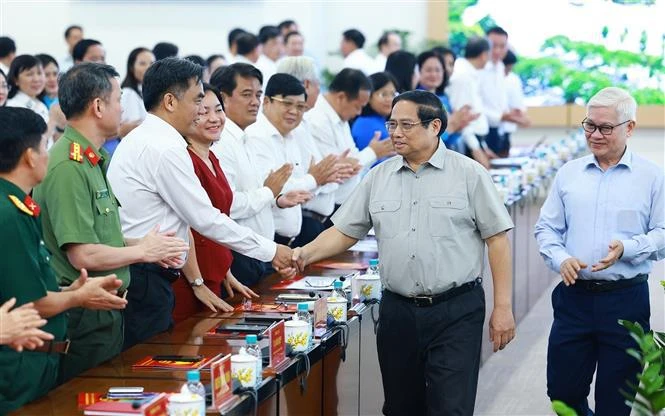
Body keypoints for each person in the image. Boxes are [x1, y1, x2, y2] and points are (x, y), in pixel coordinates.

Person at [292, 90, 515, 415]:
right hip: (398, 312)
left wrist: (504, 307)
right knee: (401, 408)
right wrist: (302, 254)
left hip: (456, 310)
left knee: (450, 407)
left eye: (406, 125)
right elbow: (344, 231)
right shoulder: (379, 176)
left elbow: (497, 240)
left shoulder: (469, 174)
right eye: (392, 124)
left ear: (435, 125)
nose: (396, 133)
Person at [107, 58, 293, 349]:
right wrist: (271, 251)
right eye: (197, 101)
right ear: (170, 101)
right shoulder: (165, 148)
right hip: (147, 276)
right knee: (156, 367)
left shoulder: (154, 138)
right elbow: (205, 219)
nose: (200, 111)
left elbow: (185, 220)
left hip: (153, 272)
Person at [32, 62, 188, 382]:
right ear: (98, 106)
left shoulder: (92, 158)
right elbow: (83, 254)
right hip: (83, 317)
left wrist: (148, 246)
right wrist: (142, 251)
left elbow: (101, 236)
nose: (123, 109)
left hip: (106, 312)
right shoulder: (68, 165)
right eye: (118, 99)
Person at [535, 87, 665, 416]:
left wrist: (629, 248)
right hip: (573, 297)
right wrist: (561, 258)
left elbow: (663, 233)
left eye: (605, 127)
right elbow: (546, 229)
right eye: (589, 125)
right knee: (562, 393)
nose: (594, 134)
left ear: (629, 128)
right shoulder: (569, 174)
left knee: (616, 401)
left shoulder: (652, 177)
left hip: (625, 301)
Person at [0, 107, 127, 413]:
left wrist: (71, 292)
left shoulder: (18, 204)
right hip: (19, 368)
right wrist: (80, 297)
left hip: (35, 359)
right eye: (45, 145)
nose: (49, 153)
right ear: (29, 156)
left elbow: (28, 287)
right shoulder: (8, 214)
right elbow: (33, 303)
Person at [172, 84, 259, 322]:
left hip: (214, 274)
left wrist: (224, 270)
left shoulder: (211, 156)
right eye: (203, 112)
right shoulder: (184, 160)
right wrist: (198, 282)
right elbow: (189, 226)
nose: (214, 119)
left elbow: (220, 217)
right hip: (191, 279)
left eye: (218, 110)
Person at [210, 63, 300, 286]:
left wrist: (275, 200)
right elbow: (227, 205)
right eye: (247, 94)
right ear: (223, 98)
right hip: (238, 255)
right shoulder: (220, 142)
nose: (255, 102)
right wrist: (269, 192)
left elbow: (254, 193)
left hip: (258, 252)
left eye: (258, 94)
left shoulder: (243, 137)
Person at [246, 73, 344, 248]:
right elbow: (272, 188)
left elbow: (300, 185)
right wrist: (313, 179)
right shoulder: (256, 135)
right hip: (267, 241)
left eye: (300, 107)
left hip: (291, 239)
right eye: (287, 104)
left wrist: (317, 179)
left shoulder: (291, 137)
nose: (294, 111)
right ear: (267, 102)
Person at [276, 57, 353, 246]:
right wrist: (323, 176)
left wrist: (327, 173)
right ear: (308, 84)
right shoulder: (296, 126)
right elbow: (304, 179)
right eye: (319, 85)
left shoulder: (304, 123)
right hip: (300, 220)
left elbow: (320, 172)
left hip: (312, 220)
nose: (320, 91)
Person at [304, 68, 394, 211]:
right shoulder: (318, 120)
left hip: (340, 207)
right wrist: (372, 152)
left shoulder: (341, 118)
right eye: (358, 106)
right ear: (341, 97)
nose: (358, 112)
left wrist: (364, 157)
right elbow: (335, 172)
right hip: (318, 210)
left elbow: (352, 164)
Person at [445, 36, 493, 168]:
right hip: (466, 144)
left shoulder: (469, 74)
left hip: (474, 141)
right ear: (484, 55)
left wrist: (482, 147)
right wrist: (476, 149)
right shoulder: (463, 77)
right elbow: (462, 117)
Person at [480, 26, 527, 157]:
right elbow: (475, 107)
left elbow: (498, 101)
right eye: (493, 46)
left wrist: (511, 114)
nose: (497, 51)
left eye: (502, 46)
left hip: (498, 130)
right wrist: (502, 116)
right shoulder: (478, 70)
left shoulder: (500, 67)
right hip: (482, 132)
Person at [351, 71, 398, 158]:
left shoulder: (384, 122)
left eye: (393, 94)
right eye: (383, 94)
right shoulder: (365, 125)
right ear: (369, 97)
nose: (389, 99)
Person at [118, 47, 155, 138]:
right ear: (131, 67)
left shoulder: (144, 91)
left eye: (152, 63)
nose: (148, 67)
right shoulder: (128, 93)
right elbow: (133, 126)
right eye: (142, 64)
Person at [499, 50, 531, 152]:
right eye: (507, 69)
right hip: (494, 130)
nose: (508, 72)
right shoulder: (492, 79)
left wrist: (522, 118)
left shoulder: (513, 79)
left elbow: (518, 105)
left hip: (506, 130)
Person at [5, 55, 48, 122]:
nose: (36, 79)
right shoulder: (12, 106)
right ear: (16, 80)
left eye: (39, 73)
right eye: (29, 74)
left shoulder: (41, 104)